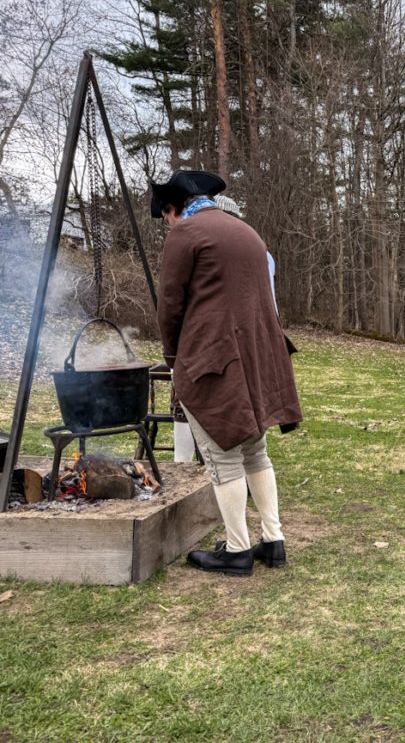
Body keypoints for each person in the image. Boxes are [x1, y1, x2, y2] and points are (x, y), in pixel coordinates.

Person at [152, 170, 302, 575]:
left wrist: (172, 358)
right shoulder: (245, 232)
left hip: (215, 359)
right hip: (258, 358)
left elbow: (170, 305)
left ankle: (236, 551)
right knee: (255, 450)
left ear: (173, 208)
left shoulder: (187, 233)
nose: (168, 222)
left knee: (221, 457)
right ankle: (274, 542)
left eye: (165, 215)